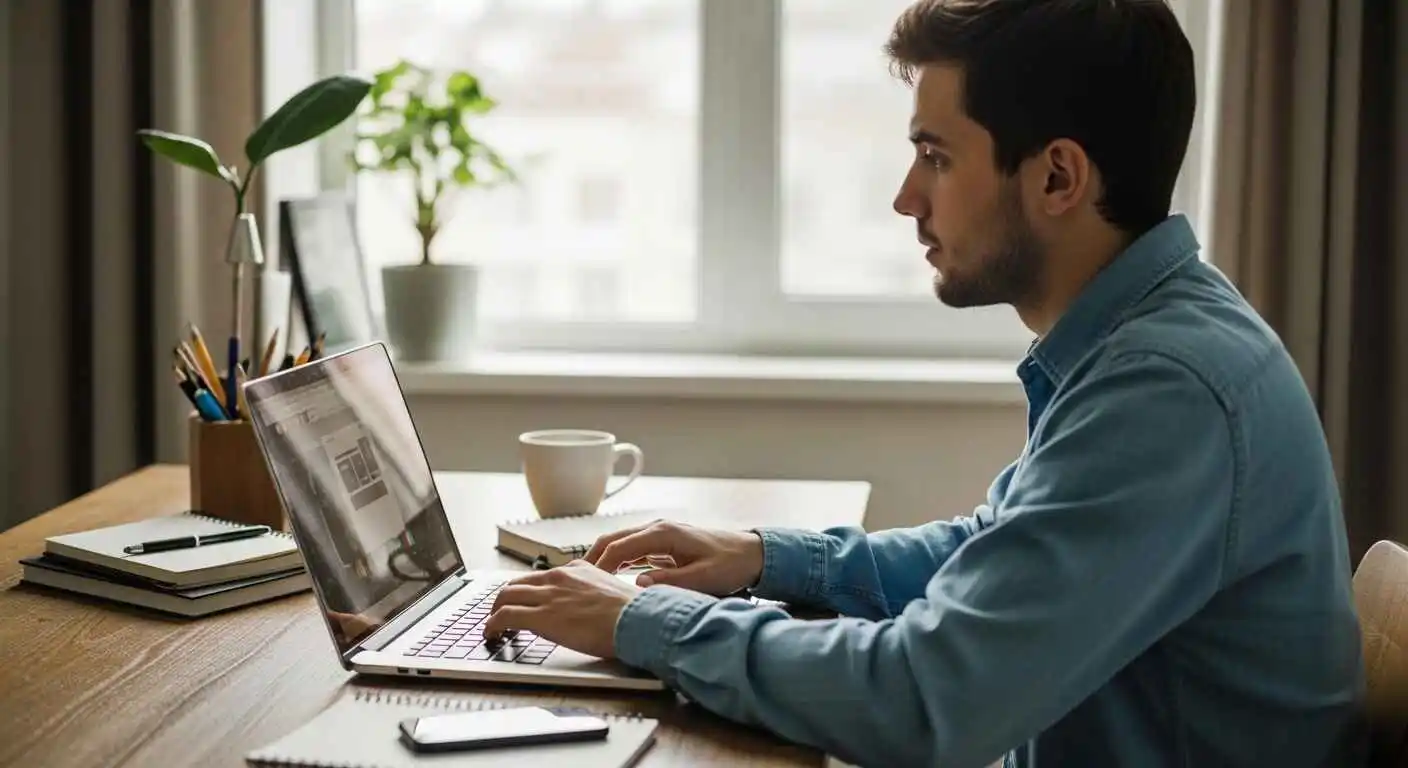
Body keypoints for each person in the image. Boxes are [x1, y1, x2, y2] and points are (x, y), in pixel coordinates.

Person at [484, 0, 1368, 765]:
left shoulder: (1166, 390)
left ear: (1057, 176)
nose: (907, 197)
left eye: (936, 156)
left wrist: (642, 623)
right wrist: (762, 558)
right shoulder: (1152, 338)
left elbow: (923, 703)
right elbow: (993, 554)